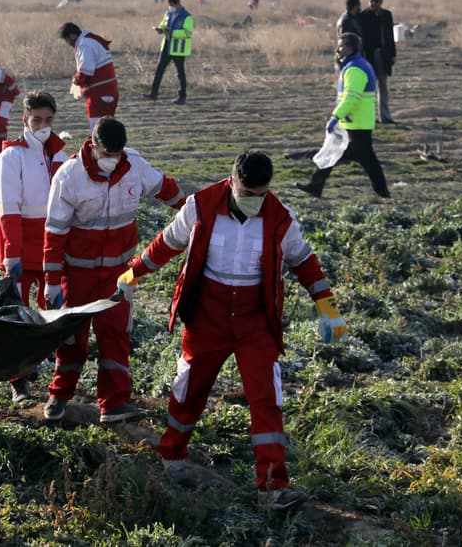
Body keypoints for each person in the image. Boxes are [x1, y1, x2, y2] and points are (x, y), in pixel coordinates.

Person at [117, 151, 348, 508]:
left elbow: (304, 261)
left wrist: (328, 308)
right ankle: (172, 458)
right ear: (232, 179)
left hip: (255, 321)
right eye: (247, 192)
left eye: (260, 194)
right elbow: (167, 244)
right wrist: (132, 272)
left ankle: (272, 488)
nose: (254, 201)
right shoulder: (200, 206)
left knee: (267, 399)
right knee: (189, 388)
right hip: (206, 316)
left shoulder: (279, 217)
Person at [42, 117, 184, 425]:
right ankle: (59, 396)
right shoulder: (68, 177)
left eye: (117, 154)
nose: (113, 160)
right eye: (107, 154)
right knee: (70, 337)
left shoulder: (133, 165)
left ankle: (114, 403)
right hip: (77, 273)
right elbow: (54, 234)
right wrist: (52, 282)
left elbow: (164, 187)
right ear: (93, 146)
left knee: (115, 333)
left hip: (119, 275)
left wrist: (192, 210)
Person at [0, 91, 68, 401]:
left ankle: (49, 369)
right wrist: (11, 253)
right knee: (17, 317)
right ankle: (18, 382)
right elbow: (8, 209)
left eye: (49, 120)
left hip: (51, 248)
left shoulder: (60, 156)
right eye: (37, 120)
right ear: (25, 120)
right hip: (21, 247)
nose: (43, 125)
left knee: (54, 314)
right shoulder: (11, 158)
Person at [295, 32, 391, 199]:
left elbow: (351, 97)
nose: (337, 49)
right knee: (336, 152)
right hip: (355, 120)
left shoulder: (355, 69)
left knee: (363, 158)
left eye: (341, 46)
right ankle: (315, 185)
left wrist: (336, 116)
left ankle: (382, 191)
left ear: (351, 48)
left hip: (356, 122)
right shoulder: (355, 65)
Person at [59, 22, 118, 132]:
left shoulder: (85, 44)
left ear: (72, 35)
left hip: (100, 94)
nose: (69, 44)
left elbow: (86, 70)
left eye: (67, 40)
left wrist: (76, 81)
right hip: (105, 92)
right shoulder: (91, 40)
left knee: (98, 132)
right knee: (106, 130)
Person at [358, 0, 396, 123]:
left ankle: (384, 117)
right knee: (368, 88)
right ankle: (367, 116)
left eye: (376, 1)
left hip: (383, 55)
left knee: (383, 86)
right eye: (371, 1)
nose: (373, 3)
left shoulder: (387, 15)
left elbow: (390, 36)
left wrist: (393, 55)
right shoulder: (364, 16)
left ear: (381, 2)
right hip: (368, 56)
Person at [147, 0, 193, 105]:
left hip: (178, 49)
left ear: (178, 3)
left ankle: (182, 96)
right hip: (167, 45)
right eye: (170, 5)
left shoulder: (187, 17)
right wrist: (160, 29)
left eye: (172, 5)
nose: (171, 7)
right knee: (159, 70)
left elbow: (187, 33)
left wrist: (172, 33)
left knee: (180, 73)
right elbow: (163, 24)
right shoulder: (168, 13)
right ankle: (153, 93)